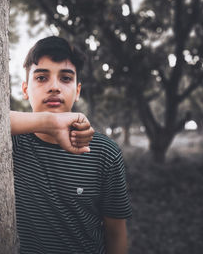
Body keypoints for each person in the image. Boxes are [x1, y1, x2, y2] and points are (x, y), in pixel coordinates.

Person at [10, 36, 132, 254]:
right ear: (26, 90)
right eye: (41, 78)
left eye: (65, 78)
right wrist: (50, 122)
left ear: (77, 90)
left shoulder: (104, 152)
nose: (54, 87)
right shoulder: (9, 143)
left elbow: (116, 233)